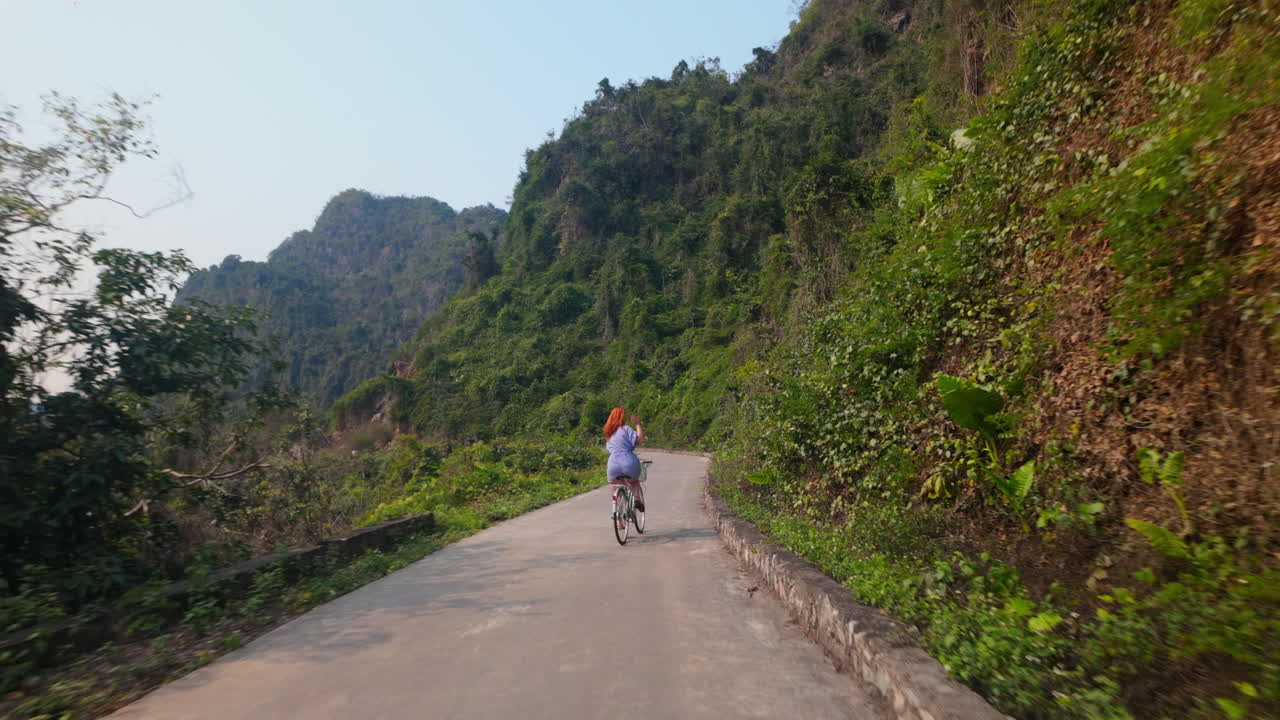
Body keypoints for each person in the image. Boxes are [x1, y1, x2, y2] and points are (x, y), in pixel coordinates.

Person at [604, 407, 645, 526]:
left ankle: (618, 521)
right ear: (622, 417)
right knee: (634, 482)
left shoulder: (609, 433)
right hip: (628, 461)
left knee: (616, 488)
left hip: (613, 464)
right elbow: (640, 439)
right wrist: (637, 424)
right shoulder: (626, 429)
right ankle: (637, 499)